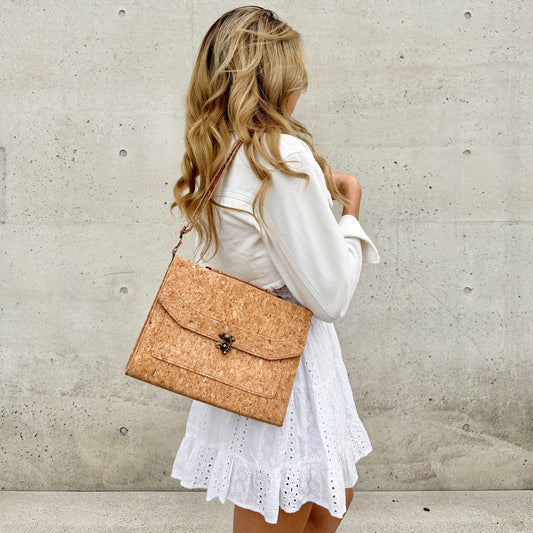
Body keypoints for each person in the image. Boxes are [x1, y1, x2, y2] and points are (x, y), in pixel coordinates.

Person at [169, 6, 380, 532]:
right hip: (286, 361)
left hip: (251, 350)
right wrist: (350, 213)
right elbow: (330, 297)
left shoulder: (221, 151)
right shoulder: (279, 157)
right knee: (297, 508)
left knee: (331, 500)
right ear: (277, 75)